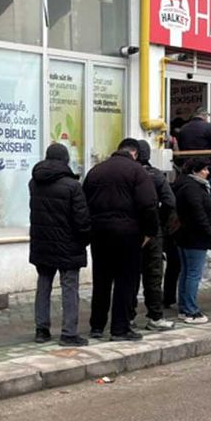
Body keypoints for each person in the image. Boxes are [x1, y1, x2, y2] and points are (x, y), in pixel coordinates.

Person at [83, 138, 158, 341]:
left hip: (99, 233)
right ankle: (120, 328)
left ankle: (97, 326)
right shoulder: (137, 171)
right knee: (126, 280)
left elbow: (83, 203)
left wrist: (89, 230)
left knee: (102, 280)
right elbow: (149, 204)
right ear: (134, 153)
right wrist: (150, 232)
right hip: (128, 234)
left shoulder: (95, 171)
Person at [28, 144, 91, 347]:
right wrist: (85, 239)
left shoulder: (34, 182)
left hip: (42, 242)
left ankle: (41, 330)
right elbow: (82, 220)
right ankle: (69, 333)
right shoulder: (73, 186)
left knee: (43, 284)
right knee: (70, 287)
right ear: (65, 160)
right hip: (68, 244)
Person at [131, 140, 176, 331]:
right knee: (154, 275)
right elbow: (170, 201)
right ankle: (155, 316)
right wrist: (160, 223)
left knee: (130, 275)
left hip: (131, 230)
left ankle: (129, 316)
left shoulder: (129, 174)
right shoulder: (156, 175)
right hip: (154, 232)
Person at [173, 158, 211, 324]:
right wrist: (208, 230)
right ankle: (191, 310)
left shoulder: (185, 184)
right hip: (195, 237)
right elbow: (198, 212)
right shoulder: (193, 188)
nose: (207, 172)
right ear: (194, 171)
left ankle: (184, 307)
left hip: (185, 235)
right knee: (193, 274)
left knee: (186, 272)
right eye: (204, 169)